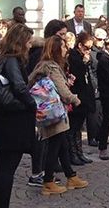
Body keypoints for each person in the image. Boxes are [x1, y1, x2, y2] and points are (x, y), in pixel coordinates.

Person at [28, 35, 88, 195]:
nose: (65, 49)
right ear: (55, 49)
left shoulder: (46, 65)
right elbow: (62, 90)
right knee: (55, 147)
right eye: (62, 46)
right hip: (53, 111)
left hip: (53, 111)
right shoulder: (51, 67)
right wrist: (75, 99)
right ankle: (48, 181)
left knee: (61, 145)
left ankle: (70, 176)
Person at [0, 24, 37, 208]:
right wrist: (33, 104)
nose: (30, 45)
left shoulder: (2, 58)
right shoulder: (12, 60)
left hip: (4, 118)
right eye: (29, 41)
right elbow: (19, 86)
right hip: (13, 120)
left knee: (0, 167)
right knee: (7, 168)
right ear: (21, 41)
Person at [67, 32, 96, 165]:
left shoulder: (83, 57)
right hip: (77, 95)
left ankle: (79, 151)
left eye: (90, 48)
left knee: (78, 126)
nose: (88, 51)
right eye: (86, 47)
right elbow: (76, 76)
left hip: (85, 95)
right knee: (73, 126)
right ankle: (72, 153)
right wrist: (84, 63)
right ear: (79, 45)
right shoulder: (73, 57)